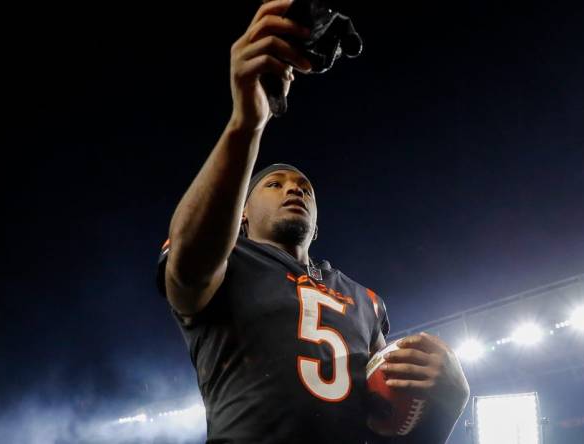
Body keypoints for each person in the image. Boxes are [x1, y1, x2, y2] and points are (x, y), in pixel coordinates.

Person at [156, 1, 470, 442]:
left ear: (318, 224)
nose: (293, 188)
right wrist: (247, 123)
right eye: (274, 184)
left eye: (304, 187)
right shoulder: (228, 260)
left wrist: (446, 406)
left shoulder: (366, 300)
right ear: (241, 214)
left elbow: (387, 427)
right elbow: (188, 263)